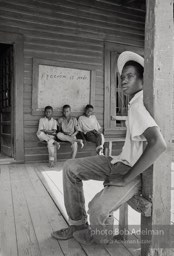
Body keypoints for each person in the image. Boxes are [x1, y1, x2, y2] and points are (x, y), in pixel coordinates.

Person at [51, 51, 167, 244]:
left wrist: (126, 178)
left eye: (130, 76)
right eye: (122, 77)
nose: (123, 80)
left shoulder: (139, 105)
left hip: (132, 171)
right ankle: (78, 225)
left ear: (142, 80)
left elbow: (159, 144)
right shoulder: (135, 102)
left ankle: (102, 236)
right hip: (117, 161)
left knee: (96, 208)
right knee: (70, 167)